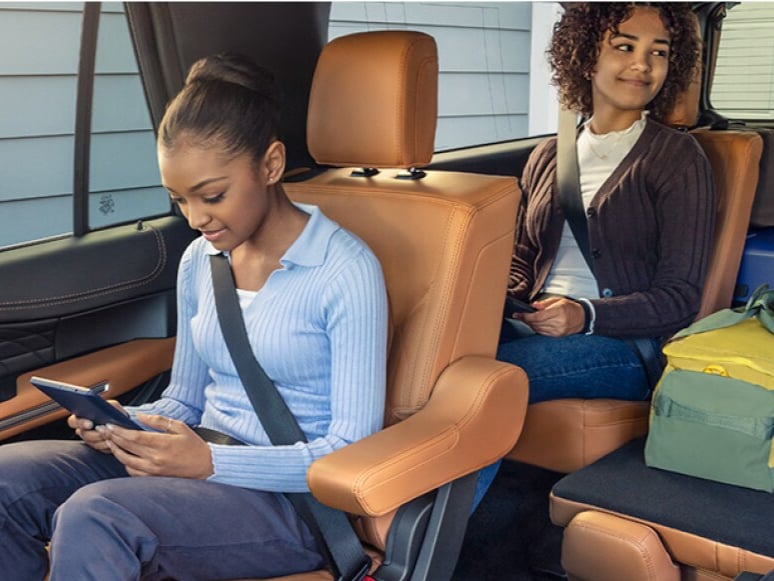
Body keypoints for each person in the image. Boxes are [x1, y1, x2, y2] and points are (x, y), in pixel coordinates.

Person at [0, 53, 388, 580]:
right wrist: (126, 426)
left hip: (292, 503)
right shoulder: (199, 259)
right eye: (179, 199)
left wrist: (210, 464)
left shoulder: (346, 270)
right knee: (6, 481)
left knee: (95, 516)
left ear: (270, 165)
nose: (195, 218)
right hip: (195, 464)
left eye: (212, 196)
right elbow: (186, 398)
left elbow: (349, 450)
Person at [498, 2, 716, 403]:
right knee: (439, 355)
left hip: (623, 346)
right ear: (585, 57)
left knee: (486, 382)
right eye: (624, 46)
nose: (643, 65)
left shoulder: (677, 158)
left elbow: (680, 296)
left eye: (659, 52)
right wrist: (498, 304)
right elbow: (522, 259)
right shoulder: (548, 155)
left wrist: (584, 314)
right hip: (535, 324)